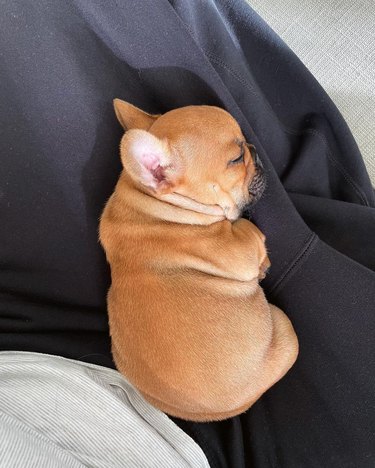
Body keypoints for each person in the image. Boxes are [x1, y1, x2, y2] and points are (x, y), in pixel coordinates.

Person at [0, 1, 374, 466]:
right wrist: (249, 251)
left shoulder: (121, 221)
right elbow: (250, 262)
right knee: (282, 328)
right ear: (158, 173)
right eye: (237, 159)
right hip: (238, 371)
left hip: (162, 391)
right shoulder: (183, 220)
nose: (252, 160)